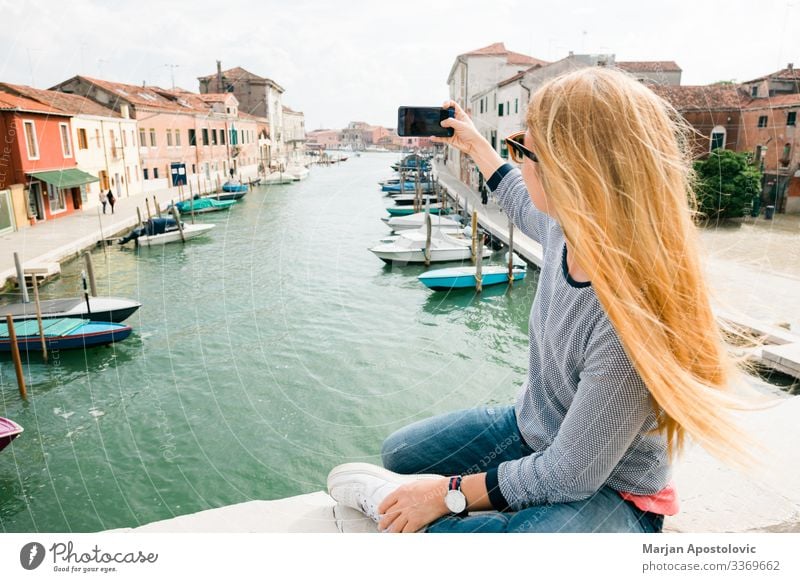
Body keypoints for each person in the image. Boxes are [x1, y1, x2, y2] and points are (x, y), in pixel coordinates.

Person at [327, 67, 765, 533]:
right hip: (530, 429)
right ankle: (466, 505)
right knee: (401, 453)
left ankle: (422, 513)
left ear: (571, 172)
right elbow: (516, 196)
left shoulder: (630, 316)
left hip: (612, 488)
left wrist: (446, 493)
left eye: (523, 150)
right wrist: (475, 143)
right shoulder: (566, 233)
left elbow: (570, 473)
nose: (518, 162)